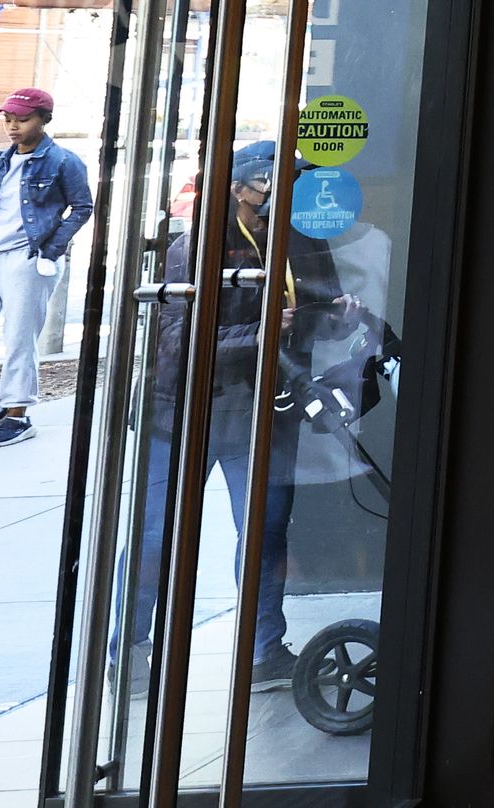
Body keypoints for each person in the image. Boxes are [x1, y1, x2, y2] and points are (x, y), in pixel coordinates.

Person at [113, 142, 357, 695]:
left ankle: (264, 653)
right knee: (157, 533)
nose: (287, 191)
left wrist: (340, 318)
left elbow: (314, 320)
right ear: (243, 186)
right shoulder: (196, 247)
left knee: (266, 532)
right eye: (277, 181)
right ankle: (128, 652)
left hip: (260, 410)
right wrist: (270, 328)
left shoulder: (302, 240)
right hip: (183, 411)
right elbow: (181, 342)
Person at [0, 88, 94, 448]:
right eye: (8, 119)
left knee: (19, 340)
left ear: (44, 120)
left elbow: (82, 208)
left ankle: (18, 414)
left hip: (27, 259)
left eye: (22, 119)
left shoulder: (63, 161)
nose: (12, 126)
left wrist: (51, 250)